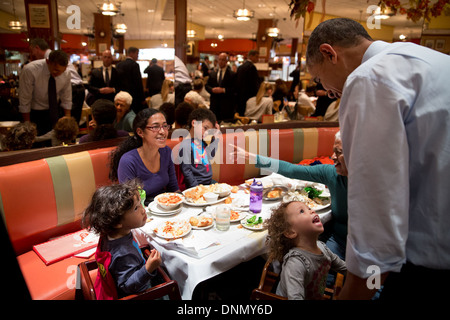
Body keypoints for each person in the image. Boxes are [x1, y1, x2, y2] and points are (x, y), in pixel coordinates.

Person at [306, 17, 450, 300]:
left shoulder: (369, 77)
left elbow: (377, 201)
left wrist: (357, 292)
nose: (327, 92)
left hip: (427, 267)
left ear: (328, 53)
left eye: (319, 79)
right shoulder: (435, 60)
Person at [233, 131, 348, 259]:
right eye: (333, 151)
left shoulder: (368, 183)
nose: (333, 156)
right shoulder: (331, 173)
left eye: (338, 152)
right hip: (338, 239)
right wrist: (253, 157)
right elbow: (291, 169)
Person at [81, 179, 162, 299]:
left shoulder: (108, 235)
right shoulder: (123, 252)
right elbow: (127, 285)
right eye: (136, 208)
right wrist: (148, 269)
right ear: (117, 222)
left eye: (140, 203)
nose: (143, 210)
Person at [265, 201, 346, 300]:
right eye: (302, 211)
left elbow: (346, 269)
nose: (312, 211)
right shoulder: (296, 263)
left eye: (309, 208)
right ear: (290, 232)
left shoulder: (322, 247)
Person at [109, 108, 180, 205]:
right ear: (140, 132)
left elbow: (174, 189)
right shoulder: (128, 161)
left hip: (164, 208)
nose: (163, 132)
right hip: (140, 211)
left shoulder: (166, 152)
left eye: (164, 126)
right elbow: (129, 203)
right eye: (155, 127)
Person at [29, 38, 85, 124]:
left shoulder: (52, 58)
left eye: (32, 50)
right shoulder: (51, 57)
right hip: (75, 89)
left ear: (36, 48)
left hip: (74, 89)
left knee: (67, 123)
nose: (32, 53)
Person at [19, 50, 72, 137]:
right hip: (34, 113)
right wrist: (27, 124)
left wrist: (67, 117)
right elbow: (25, 99)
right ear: (48, 62)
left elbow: (66, 97)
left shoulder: (66, 73)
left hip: (54, 111)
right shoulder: (30, 70)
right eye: (56, 70)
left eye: (62, 71)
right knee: (36, 144)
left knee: (54, 143)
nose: (59, 74)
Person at [177, 108, 220, 188]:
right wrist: (196, 188)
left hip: (209, 182)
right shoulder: (186, 145)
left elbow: (210, 155)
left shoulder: (200, 142)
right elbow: (187, 171)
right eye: (205, 128)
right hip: (196, 185)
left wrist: (216, 138)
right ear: (194, 123)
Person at [205, 52, 236, 122]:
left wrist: (223, 90)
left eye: (223, 60)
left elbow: (235, 89)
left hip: (226, 105)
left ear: (226, 61)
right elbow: (207, 86)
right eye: (219, 59)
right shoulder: (213, 73)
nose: (221, 62)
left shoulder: (232, 74)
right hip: (214, 105)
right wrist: (212, 90)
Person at [116, 47, 145, 114]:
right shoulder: (134, 65)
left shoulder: (119, 65)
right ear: (131, 53)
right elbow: (138, 83)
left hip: (121, 94)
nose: (138, 56)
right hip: (133, 96)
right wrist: (142, 98)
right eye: (137, 54)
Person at [236, 49, 262, 116]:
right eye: (256, 57)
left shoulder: (240, 67)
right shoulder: (251, 67)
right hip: (249, 96)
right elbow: (254, 84)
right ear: (250, 56)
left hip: (239, 95)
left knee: (241, 114)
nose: (258, 59)